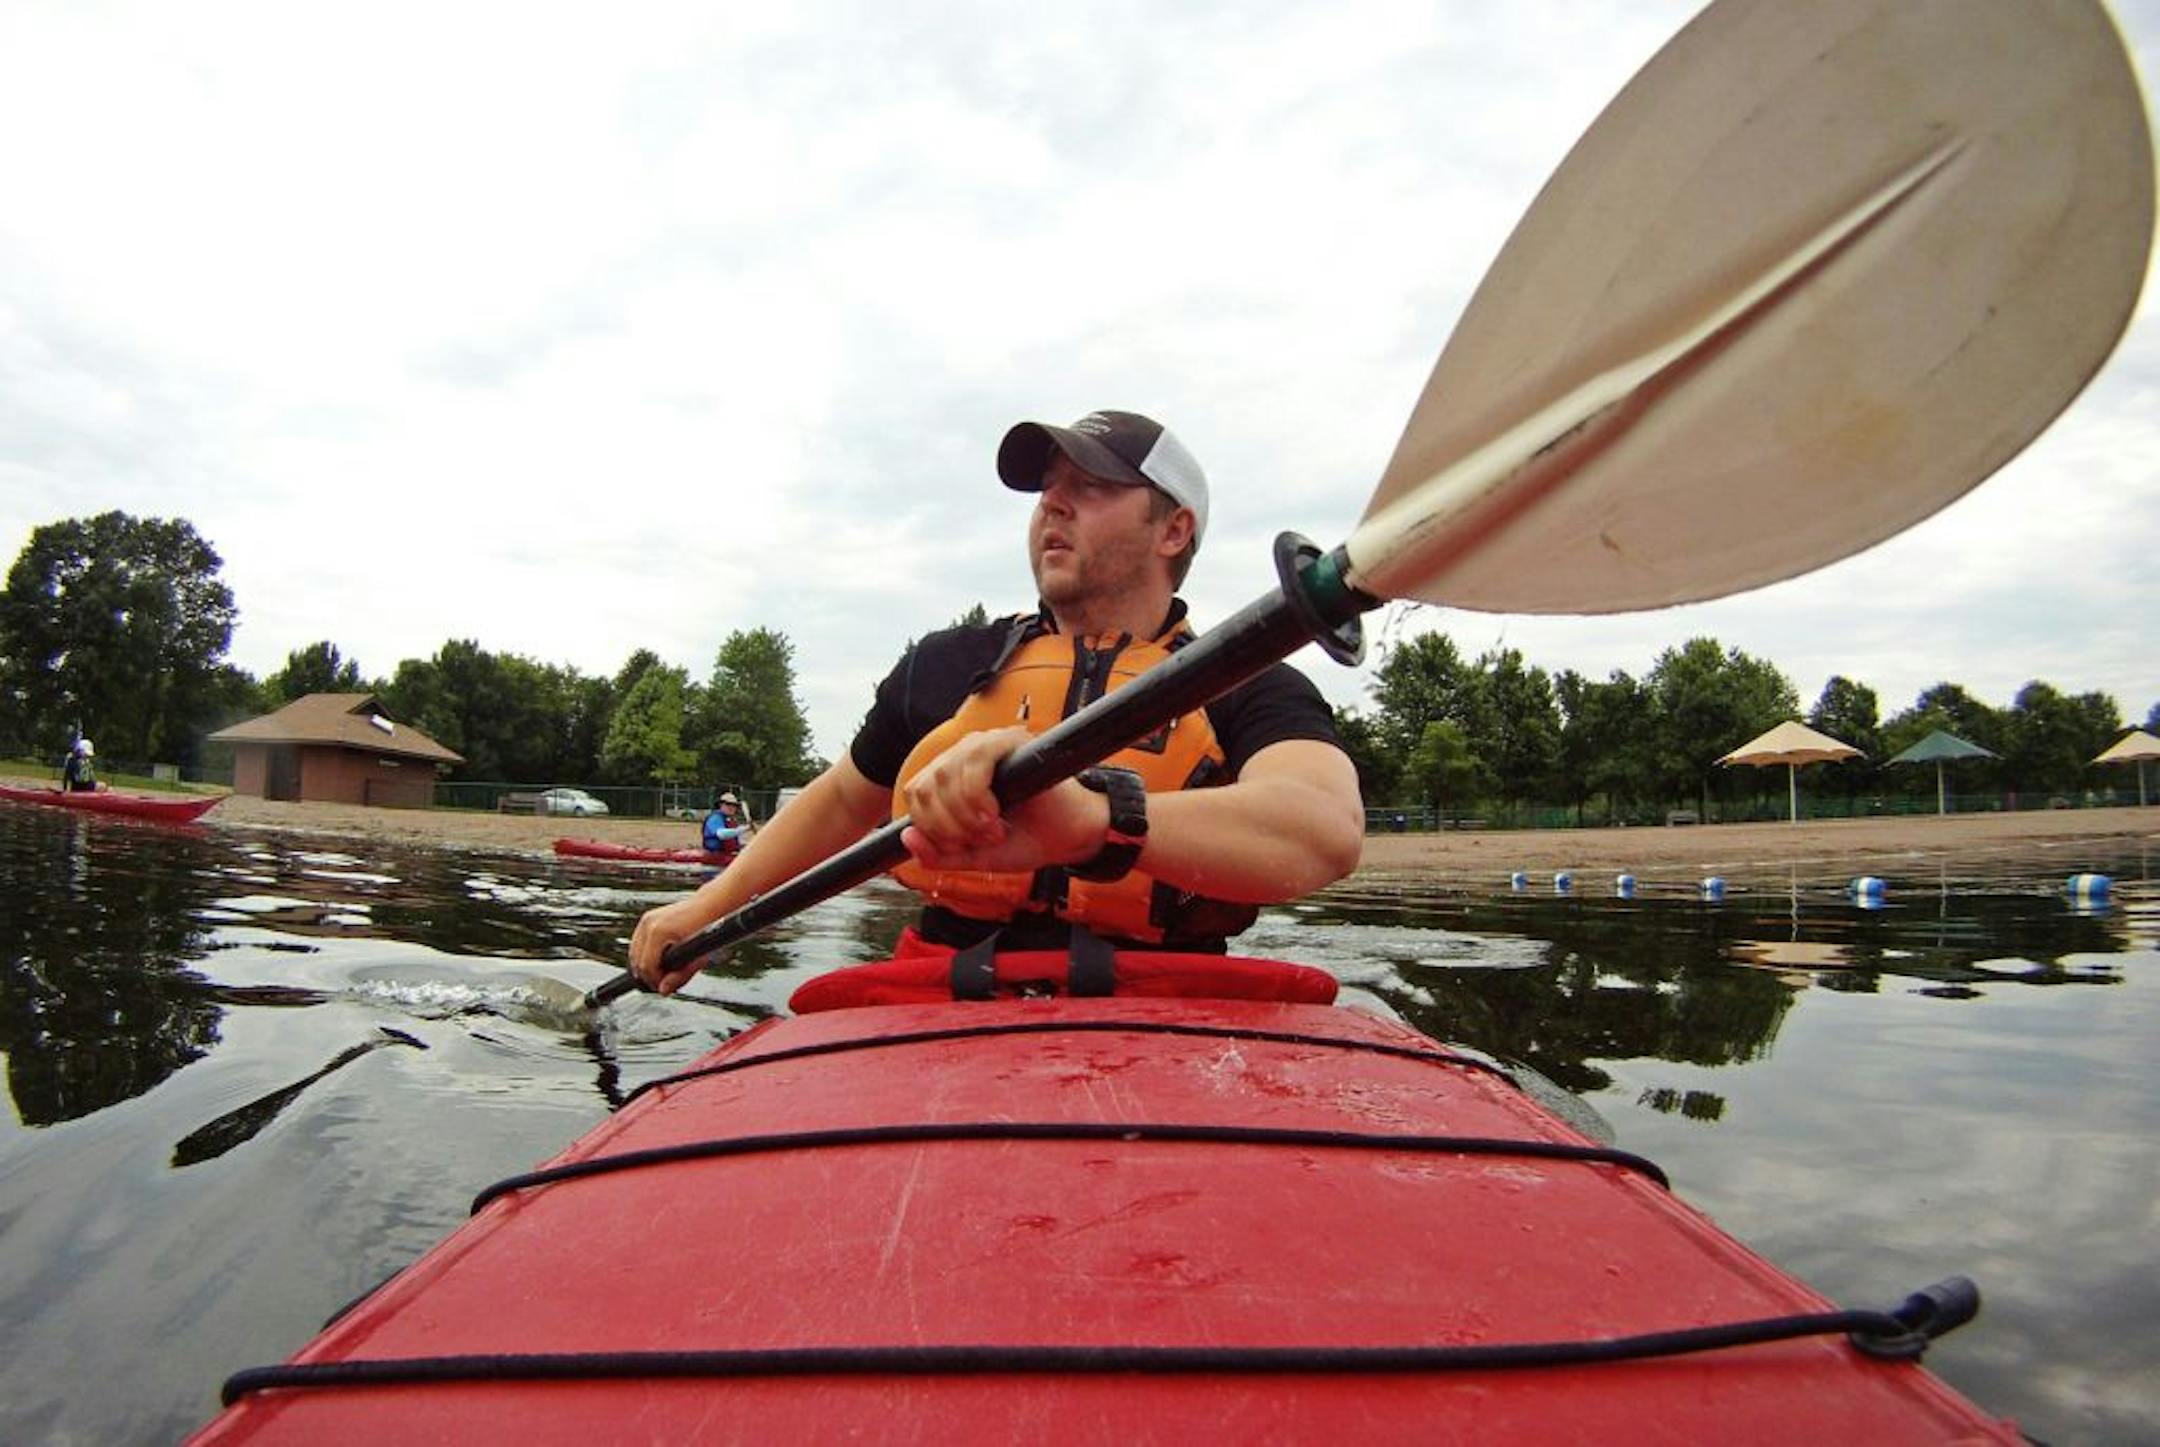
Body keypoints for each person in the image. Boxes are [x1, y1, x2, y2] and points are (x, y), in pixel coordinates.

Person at [629, 409, 1364, 994]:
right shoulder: (947, 665)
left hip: (1166, 994)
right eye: (1050, 484)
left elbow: (1323, 830)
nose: (1053, 501)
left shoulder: (1247, 679)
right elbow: (845, 802)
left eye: (1094, 486)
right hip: (942, 986)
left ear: (1174, 528)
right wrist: (706, 908)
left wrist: (1097, 821)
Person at [701, 792, 751, 859]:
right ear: (721, 805)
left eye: (734, 805)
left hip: (727, 854)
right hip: (715, 856)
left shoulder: (731, 820)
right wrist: (743, 829)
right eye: (728, 804)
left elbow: (735, 841)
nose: (731, 807)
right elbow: (721, 834)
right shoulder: (715, 818)